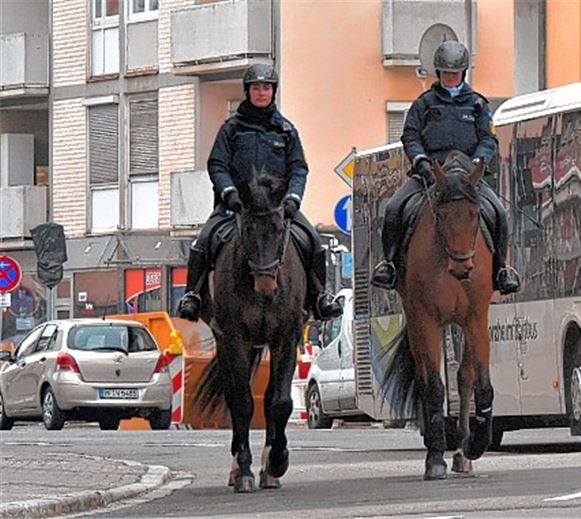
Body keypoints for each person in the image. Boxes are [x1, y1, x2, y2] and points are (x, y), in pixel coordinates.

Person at [176, 63, 343, 322]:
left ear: (273, 91)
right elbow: (217, 164)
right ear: (248, 91)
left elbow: (298, 168)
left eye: (266, 87)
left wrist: (293, 198)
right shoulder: (231, 128)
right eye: (256, 87)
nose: (261, 92)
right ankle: (193, 296)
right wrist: (228, 192)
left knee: (313, 241)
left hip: (277, 208)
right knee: (204, 241)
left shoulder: (286, 130)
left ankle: (321, 296)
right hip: (237, 206)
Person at [370, 40, 521, 295]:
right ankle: (389, 265)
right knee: (394, 209)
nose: (451, 78)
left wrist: (477, 161)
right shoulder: (424, 104)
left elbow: (488, 139)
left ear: (463, 73)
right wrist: (420, 160)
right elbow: (411, 136)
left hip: (466, 177)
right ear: (438, 74)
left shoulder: (478, 105)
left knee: (500, 214)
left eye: (455, 73)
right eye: (446, 74)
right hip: (431, 173)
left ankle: (501, 269)